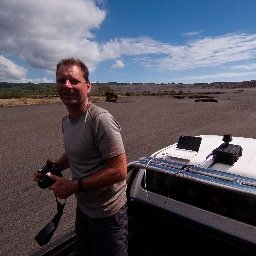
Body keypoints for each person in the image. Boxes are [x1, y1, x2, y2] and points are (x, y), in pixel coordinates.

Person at [34, 57, 128, 256]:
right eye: (61, 81)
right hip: (84, 208)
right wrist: (53, 168)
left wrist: (74, 186)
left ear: (88, 86)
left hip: (108, 213)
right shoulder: (67, 122)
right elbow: (74, 151)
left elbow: (119, 171)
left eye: (74, 81)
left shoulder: (100, 120)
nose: (67, 85)